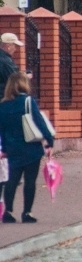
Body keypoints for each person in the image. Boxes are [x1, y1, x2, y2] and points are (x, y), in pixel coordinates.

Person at [0, 72, 54, 223]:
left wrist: (4, 148)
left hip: (12, 148)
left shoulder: (3, 105)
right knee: (30, 181)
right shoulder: (28, 101)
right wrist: (49, 142)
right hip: (31, 148)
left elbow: (2, 129)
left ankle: (8, 212)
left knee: (12, 180)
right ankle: (26, 213)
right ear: (24, 84)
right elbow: (39, 123)